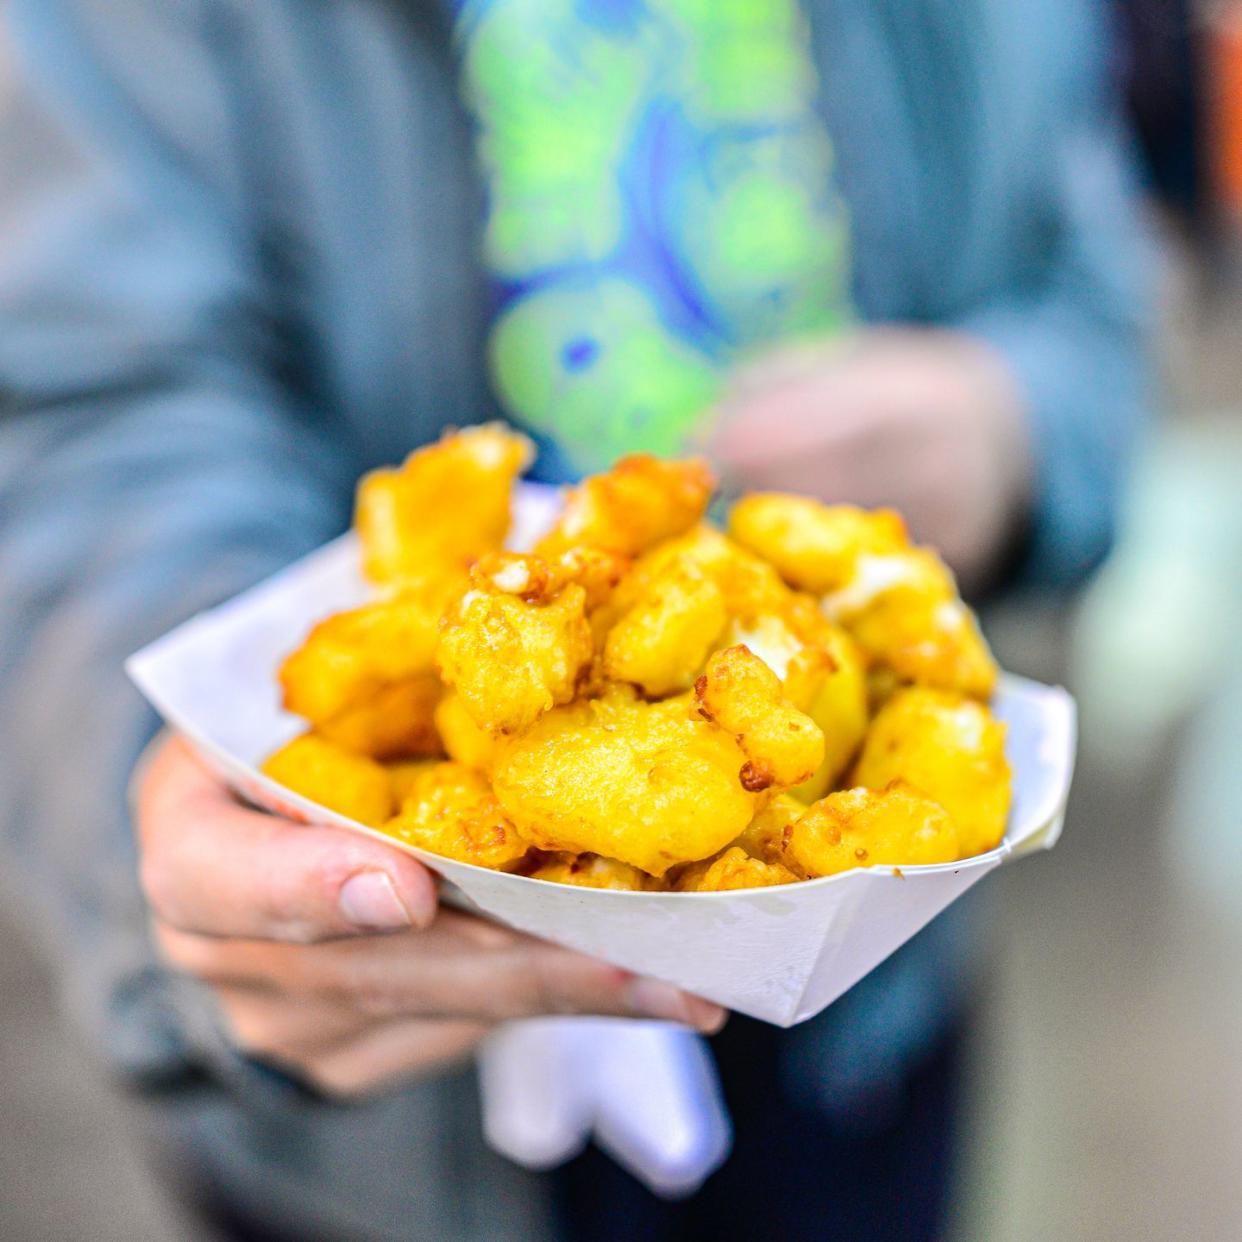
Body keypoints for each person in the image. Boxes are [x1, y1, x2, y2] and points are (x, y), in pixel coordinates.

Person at [0, 1, 1149, 1239]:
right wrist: (160, 816)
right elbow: (76, 405)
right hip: (376, 1101)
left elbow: (1092, 273)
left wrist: (1019, 421)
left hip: (857, 1021)